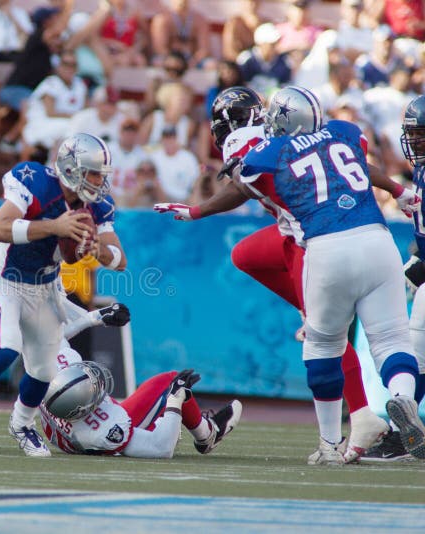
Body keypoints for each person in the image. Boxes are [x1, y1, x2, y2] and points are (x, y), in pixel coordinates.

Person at [154, 85, 414, 464]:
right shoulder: (335, 133)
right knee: (245, 254)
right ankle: (312, 313)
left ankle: (358, 417)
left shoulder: (259, 145)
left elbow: (244, 186)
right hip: (359, 235)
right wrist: (397, 189)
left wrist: (197, 211)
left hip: (309, 240)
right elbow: (357, 161)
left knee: (323, 336)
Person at [234, 86, 425, 464]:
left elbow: (244, 181)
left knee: (322, 344)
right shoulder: (345, 132)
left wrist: (196, 210)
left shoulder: (274, 150)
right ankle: (402, 398)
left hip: (327, 246)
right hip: (377, 237)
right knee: (392, 341)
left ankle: (329, 445)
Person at [0, 132, 127, 457]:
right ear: (72, 169)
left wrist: (95, 245)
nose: (100, 181)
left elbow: (118, 260)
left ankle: (22, 424)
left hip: (43, 288)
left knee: (42, 370)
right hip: (3, 278)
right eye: (94, 172)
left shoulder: (96, 207)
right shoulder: (35, 181)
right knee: (5, 349)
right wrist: (55, 227)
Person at [364, 94, 425, 461]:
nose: (414, 141)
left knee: (417, 354)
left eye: (421, 134)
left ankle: (405, 433)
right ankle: (407, 432)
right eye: (413, 134)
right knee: (416, 356)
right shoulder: (420, 171)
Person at [40, 347, 241, 458]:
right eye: (92, 389)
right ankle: (207, 435)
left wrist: (96, 317)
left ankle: (189, 428)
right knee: (172, 382)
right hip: (99, 436)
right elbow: (161, 449)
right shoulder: (103, 428)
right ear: (84, 408)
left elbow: (57, 333)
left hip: (73, 431)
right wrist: (174, 400)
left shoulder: (47, 381)